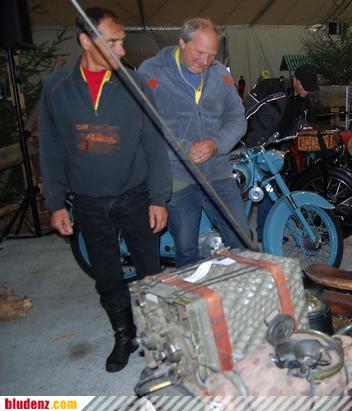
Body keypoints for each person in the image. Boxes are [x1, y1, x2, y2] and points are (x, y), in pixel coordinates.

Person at [38, 7, 171, 373]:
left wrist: (158, 197)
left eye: (121, 41)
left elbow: (154, 144)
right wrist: (56, 202)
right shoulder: (57, 89)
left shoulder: (136, 85)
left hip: (135, 195)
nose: (122, 50)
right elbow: (51, 149)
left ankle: (156, 336)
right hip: (88, 201)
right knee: (107, 275)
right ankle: (123, 336)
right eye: (113, 42)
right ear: (86, 40)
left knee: (150, 272)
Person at [138, 18, 249, 268]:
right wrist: (184, 148)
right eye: (199, 52)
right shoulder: (152, 71)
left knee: (242, 240)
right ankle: (191, 291)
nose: (205, 61)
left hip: (217, 171)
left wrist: (216, 144)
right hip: (176, 175)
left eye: (211, 54)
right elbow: (145, 124)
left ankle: (237, 288)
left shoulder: (220, 74)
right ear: (182, 42)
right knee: (187, 248)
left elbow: (237, 119)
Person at [243, 64, 319, 240]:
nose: (307, 91)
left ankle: (265, 233)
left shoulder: (304, 102)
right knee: (241, 188)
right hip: (250, 147)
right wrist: (241, 141)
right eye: (305, 86)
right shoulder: (270, 87)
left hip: (274, 151)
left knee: (271, 191)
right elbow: (245, 112)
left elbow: (299, 125)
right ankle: (233, 232)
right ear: (295, 80)